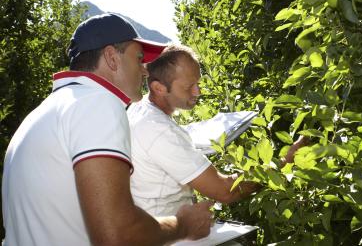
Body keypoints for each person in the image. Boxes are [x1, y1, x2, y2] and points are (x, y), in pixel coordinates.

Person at [2, 14, 213, 246]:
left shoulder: (42, 112)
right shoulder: (97, 103)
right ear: (112, 57)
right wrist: (183, 225)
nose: (144, 71)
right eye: (139, 58)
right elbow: (117, 235)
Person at [127, 44, 308, 217]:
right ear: (159, 88)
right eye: (188, 86)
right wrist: (285, 162)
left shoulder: (139, 108)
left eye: (197, 82)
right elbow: (226, 191)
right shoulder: (160, 131)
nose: (197, 92)